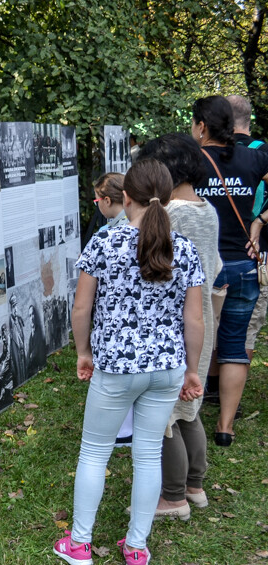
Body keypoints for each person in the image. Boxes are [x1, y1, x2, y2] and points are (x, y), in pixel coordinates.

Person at [54, 158, 205, 565]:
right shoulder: (184, 248)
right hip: (168, 367)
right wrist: (192, 370)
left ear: (125, 197)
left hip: (117, 367)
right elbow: (194, 319)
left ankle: (80, 543)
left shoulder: (104, 243)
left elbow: (81, 306)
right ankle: (136, 549)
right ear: (169, 196)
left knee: (94, 452)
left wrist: (83, 352)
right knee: (147, 456)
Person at [138, 133, 223, 519]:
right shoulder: (206, 209)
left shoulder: (171, 216)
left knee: (165, 415)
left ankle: (172, 497)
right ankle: (195, 486)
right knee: (189, 406)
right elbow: (215, 268)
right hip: (202, 322)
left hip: (172, 327)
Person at [191, 95, 268, 446]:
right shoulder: (253, 157)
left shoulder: (188, 161)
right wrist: (261, 221)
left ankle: (187, 414)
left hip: (200, 268)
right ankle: (225, 427)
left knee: (193, 336)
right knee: (235, 344)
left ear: (202, 126)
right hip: (241, 264)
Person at [227, 95, 268, 371]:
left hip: (217, 250)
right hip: (258, 252)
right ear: (249, 118)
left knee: (213, 319)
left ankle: (209, 386)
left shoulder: (209, 153)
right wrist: (260, 220)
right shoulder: (262, 153)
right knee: (247, 324)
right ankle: (232, 395)